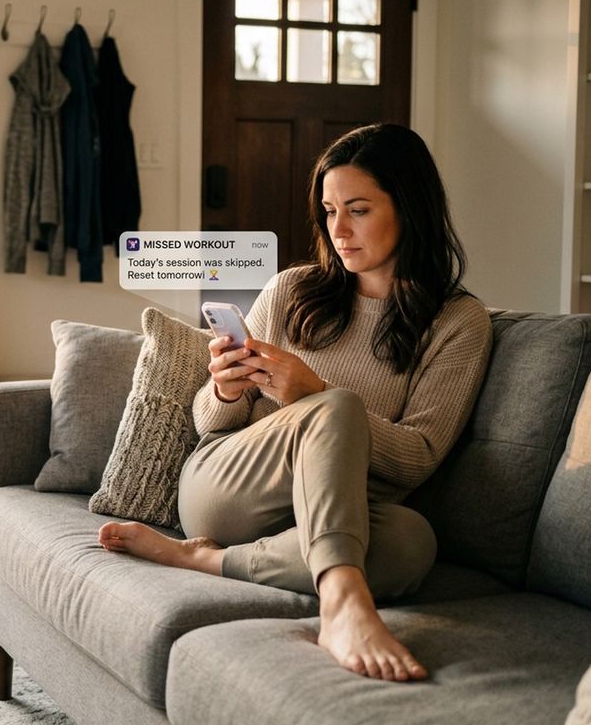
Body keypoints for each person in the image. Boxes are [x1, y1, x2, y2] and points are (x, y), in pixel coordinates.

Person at [98, 123, 493, 683]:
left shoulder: (458, 323)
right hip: (228, 485)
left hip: (327, 512)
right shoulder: (292, 290)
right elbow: (210, 423)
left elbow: (419, 457)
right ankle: (343, 605)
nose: (339, 229)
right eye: (329, 211)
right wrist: (226, 389)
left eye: (357, 209)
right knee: (340, 407)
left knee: (412, 541)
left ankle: (202, 559)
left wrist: (311, 393)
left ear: (410, 208)